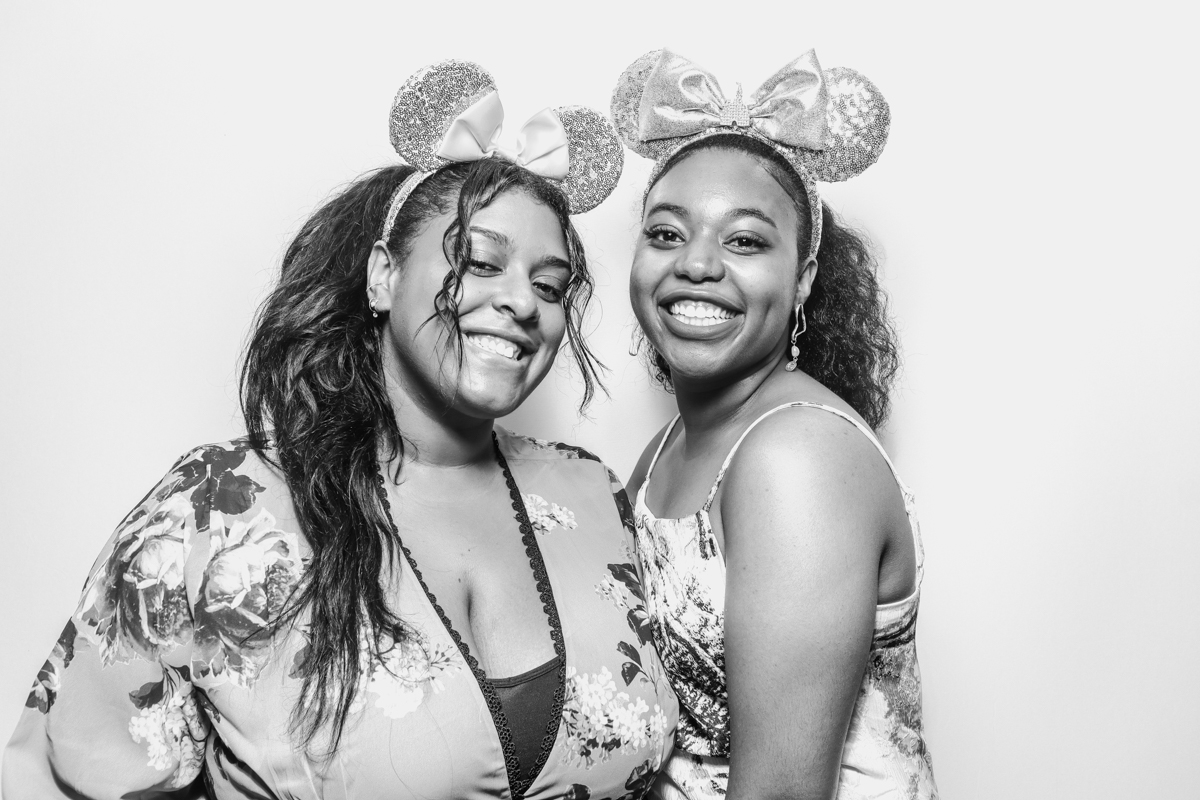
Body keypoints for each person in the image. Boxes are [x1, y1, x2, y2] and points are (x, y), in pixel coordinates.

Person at [4, 60, 677, 799]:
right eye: (480, 262)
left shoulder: (594, 495)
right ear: (382, 276)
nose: (521, 301)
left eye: (550, 286)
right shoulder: (223, 507)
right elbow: (56, 772)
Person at [610, 50, 937, 799]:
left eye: (745, 240)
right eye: (665, 233)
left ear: (805, 278)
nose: (695, 264)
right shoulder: (662, 450)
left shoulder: (798, 455)